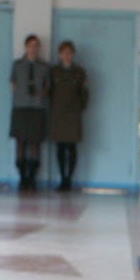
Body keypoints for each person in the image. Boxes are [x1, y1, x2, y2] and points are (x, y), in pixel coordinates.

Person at [9, 33, 50, 191]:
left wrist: (40, 95)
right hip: (20, 108)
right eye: (30, 45)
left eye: (36, 46)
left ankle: (32, 177)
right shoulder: (17, 65)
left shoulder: (44, 67)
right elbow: (13, 84)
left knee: (35, 144)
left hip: (37, 108)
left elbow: (47, 87)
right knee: (20, 143)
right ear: (25, 47)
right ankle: (22, 177)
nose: (33, 49)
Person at [49, 39, 88, 191]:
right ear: (60, 54)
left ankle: (68, 179)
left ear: (73, 54)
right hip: (58, 114)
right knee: (60, 147)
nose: (67, 55)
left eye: (69, 53)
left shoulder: (79, 72)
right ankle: (61, 178)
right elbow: (49, 91)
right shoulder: (54, 71)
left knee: (71, 147)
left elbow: (84, 93)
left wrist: (79, 108)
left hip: (73, 114)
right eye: (64, 53)